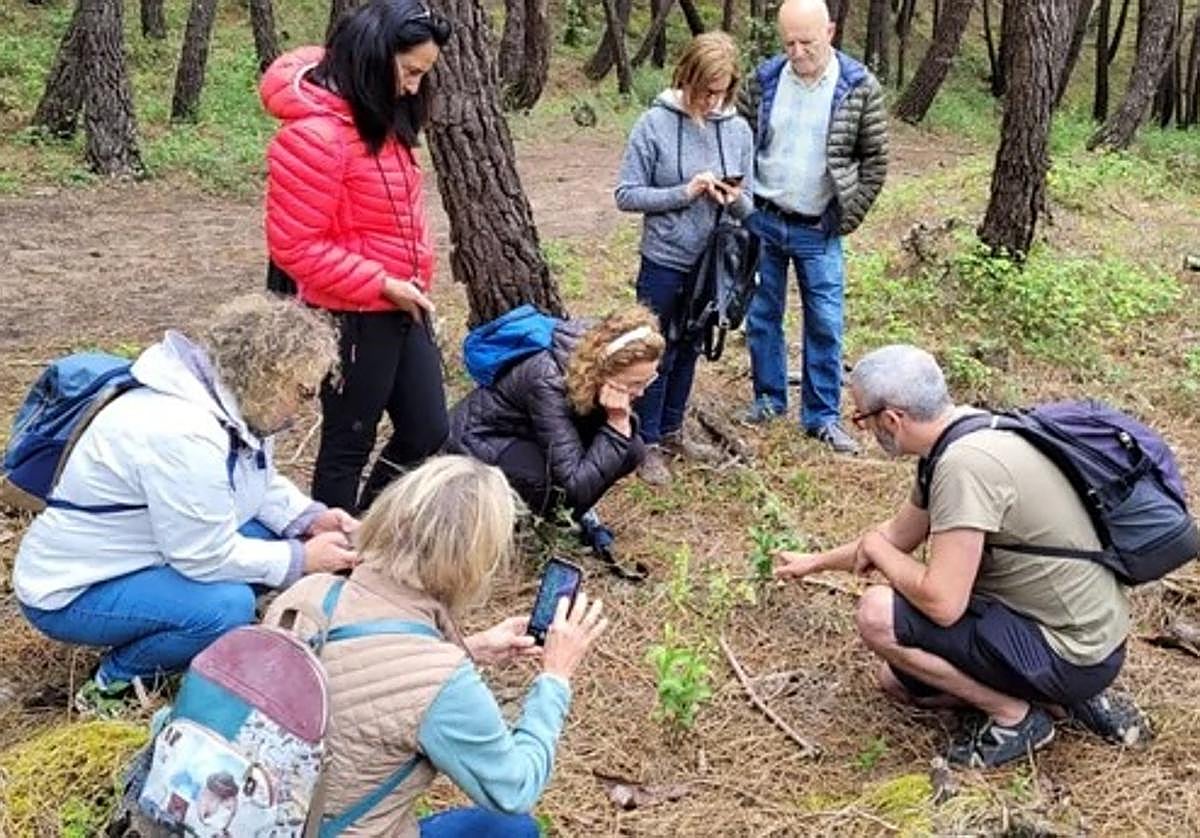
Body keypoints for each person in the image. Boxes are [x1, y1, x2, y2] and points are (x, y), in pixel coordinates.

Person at [775, 345, 1149, 768]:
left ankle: (1017, 718)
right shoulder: (969, 432)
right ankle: (1060, 701)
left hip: (1072, 653)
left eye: (861, 417)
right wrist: (816, 562)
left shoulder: (963, 467)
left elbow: (942, 601)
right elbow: (897, 536)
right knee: (895, 682)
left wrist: (877, 551)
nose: (861, 429)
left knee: (877, 613)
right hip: (1089, 638)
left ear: (892, 419)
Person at [13, 295, 359, 711]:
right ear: (269, 374)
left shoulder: (231, 402)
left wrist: (309, 519)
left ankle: (178, 633)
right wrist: (302, 558)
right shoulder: (181, 433)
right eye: (303, 392)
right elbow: (202, 554)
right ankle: (113, 684)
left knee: (268, 535)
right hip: (74, 589)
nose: (304, 410)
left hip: (139, 555)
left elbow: (255, 483)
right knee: (224, 607)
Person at [264, 455, 609, 837]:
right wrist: (555, 678)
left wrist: (472, 648)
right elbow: (515, 789)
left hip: (257, 818)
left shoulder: (307, 595)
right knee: (512, 828)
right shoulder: (443, 682)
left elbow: (362, 677)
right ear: (475, 560)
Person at [261, 0, 453, 515]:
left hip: (401, 303)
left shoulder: (380, 122)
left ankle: (369, 526)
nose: (414, 86)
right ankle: (334, 562)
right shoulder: (313, 136)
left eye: (423, 74)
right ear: (374, 55)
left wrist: (406, 279)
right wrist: (380, 282)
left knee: (428, 428)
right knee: (350, 440)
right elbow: (296, 247)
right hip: (350, 311)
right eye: (410, 71)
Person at [741, 0, 888, 454]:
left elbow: (875, 160)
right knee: (762, 315)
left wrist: (845, 217)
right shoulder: (764, 79)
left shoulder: (859, 87)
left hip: (818, 227)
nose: (798, 52)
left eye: (806, 41)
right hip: (763, 218)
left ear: (831, 30)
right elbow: (739, 141)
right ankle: (768, 398)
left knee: (825, 323)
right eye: (789, 42)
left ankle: (821, 416)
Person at [615, 32, 754, 486]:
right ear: (687, 78)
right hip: (664, 259)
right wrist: (686, 191)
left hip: (712, 264)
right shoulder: (653, 124)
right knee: (657, 349)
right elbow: (626, 195)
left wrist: (732, 197)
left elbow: (749, 204)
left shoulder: (737, 130)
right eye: (705, 91)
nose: (712, 101)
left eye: (721, 91)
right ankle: (645, 441)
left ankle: (673, 430)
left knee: (692, 343)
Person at [446, 306, 664, 562]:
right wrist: (617, 421)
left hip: (528, 434)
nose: (640, 393)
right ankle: (526, 518)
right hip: (479, 442)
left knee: (631, 448)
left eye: (648, 381)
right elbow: (573, 485)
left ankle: (560, 514)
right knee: (560, 488)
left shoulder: (594, 362)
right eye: (634, 384)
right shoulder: (548, 379)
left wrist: (619, 426)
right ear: (605, 370)